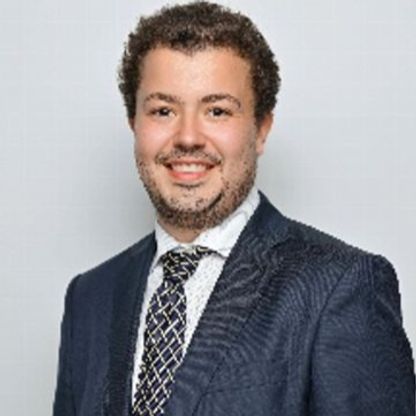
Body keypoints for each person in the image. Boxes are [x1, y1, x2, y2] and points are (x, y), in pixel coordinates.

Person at [53, 2, 415, 415]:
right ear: (134, 123)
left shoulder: (340, 287)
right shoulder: (89, 297)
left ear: (261, 130)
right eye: (163, 111)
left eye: (217, 111)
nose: (188, 137)